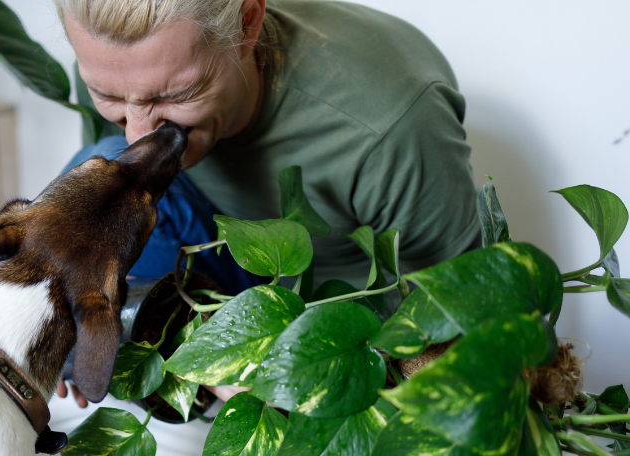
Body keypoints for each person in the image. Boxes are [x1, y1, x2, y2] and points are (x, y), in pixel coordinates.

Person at [55, 0, 480, 406]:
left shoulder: (393, 126)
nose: (139, 136)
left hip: (338, 321)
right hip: (221, 258)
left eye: (173, 95)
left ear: (247, 24)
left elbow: (462, 309)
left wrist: (289, 372)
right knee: (102, 173)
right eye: (108, 96)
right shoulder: (117, 61)